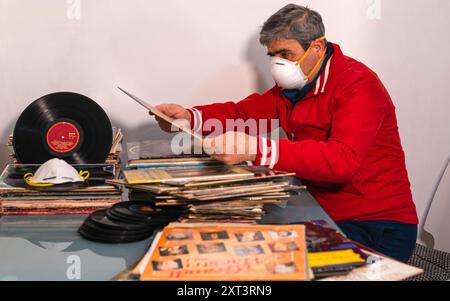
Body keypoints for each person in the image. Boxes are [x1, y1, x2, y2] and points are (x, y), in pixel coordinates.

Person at [151, 4, 418, 262]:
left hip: (376, 224)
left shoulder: (358, 85)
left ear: (317, 47)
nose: (278, 63)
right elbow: (244, 114)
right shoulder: (294, 88)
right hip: (320, 208)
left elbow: (342, 160)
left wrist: (257, 150)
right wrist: (189, 117)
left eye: (285, 54)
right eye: (272, 55)